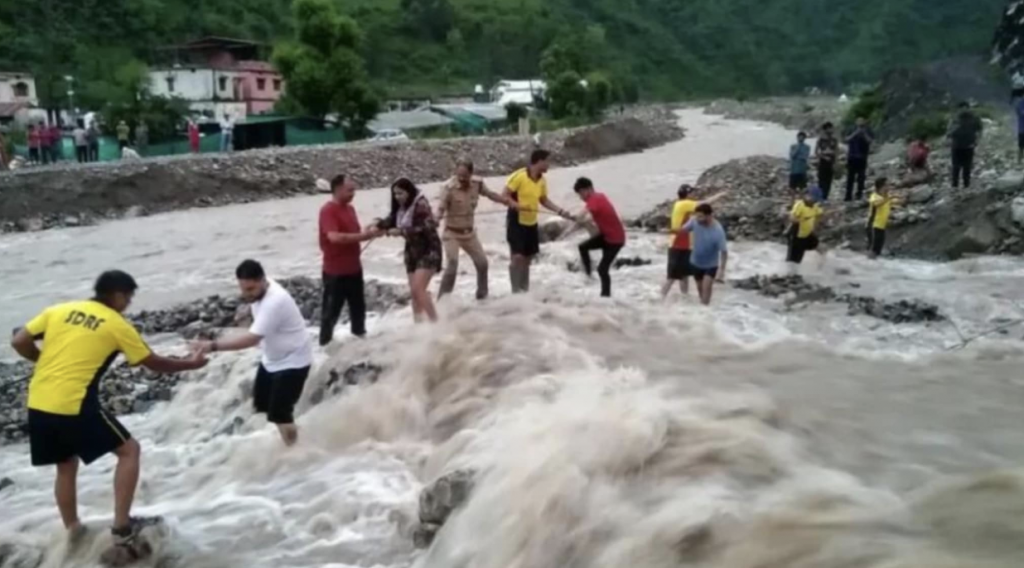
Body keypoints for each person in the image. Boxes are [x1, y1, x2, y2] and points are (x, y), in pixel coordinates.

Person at [9, 270, 207, 555]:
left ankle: (73, 532)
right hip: (73, 403)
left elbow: (19, 341)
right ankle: (122, 529)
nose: (128, 303)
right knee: (130, 451)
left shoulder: (60, 310)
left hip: (39, 401)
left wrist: (41, 360)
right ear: (117, 295)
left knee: (65, 466)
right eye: (128, 297)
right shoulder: (116, 324)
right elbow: (154, 362)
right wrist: (191, 364)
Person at [191, 261, 312, 446]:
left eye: (251, 289)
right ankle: (293, 437)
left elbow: (251, 339)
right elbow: (257, 311)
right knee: (262, 405)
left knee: (280, 413)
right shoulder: (262, 290)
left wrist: (213, 346)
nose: (247, 294)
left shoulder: (275, 301)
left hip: (294, 360)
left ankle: (295, 449)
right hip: (272, 358)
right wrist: (247, 310)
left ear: (263, 280)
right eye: (243, 289)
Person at [436, 159, 516, 300]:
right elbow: (441, 208)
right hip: (452, 233)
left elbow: (490, 194)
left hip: (470, 233)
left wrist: (506, 201)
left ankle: (482, 296)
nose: (461, 179)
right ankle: (442, 300)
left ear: (471, 173)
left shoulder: (477, 184)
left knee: (483, 263)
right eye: (459, 175)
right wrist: (436, 219)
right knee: (452, 265)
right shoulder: (447, 187)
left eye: (465, 176)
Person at [318, 174, 379, 345]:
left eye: (354, 190)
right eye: (350, 190)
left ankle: (360, 343)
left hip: (354, 268)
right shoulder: (328, 210)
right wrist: (363, 236)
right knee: (330, 313)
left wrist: (371, 231)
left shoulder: (350, 209)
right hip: (335, 272)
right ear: (337, 190)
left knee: (358, 309)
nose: (354, 193)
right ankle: (323, 347)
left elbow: (355, 233)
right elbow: (334, 237)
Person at [503, 149, 575, 293]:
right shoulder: (519, 176)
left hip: (531, 223)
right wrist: (518, 206)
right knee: (517, 258)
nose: (549, 165)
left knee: (528, 259)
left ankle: (525, 291)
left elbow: (543, 200)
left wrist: (560, 211)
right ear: (540, 161)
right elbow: (504, 195)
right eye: (548, 161)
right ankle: (515, 292)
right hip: (516, 221)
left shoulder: (542, 180)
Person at [379, 178, 443, 323]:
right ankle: (418, 325)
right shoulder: (401, 207)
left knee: (419, 290)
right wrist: (378, 225)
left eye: (401, 193)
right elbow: (392, 218)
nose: (397, 197)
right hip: (412, 252)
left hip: (429, 250)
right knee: (414, 293)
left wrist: (401, 232)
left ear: (409, 192)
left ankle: (436, 324)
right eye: (395, 194)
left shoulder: (421, 204)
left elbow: (425, 228)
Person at [662, 184, 728, 299]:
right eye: (692, 192)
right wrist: (720, 195)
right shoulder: (684, 203)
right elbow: (704, 204)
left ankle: (685, 299)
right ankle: (660, 298)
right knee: (672, 276)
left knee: (684, 274)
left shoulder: (680, 204)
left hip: (683, 245)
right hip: (678, 245)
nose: (694, 195)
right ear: (688, 194)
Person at [572, 177, 626, 297]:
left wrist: (576, 218)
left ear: (589, 189)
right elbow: (591, 217)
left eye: (581, 193)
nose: (580, 197)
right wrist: (578, 221)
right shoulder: (600, 197)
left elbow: (581, 214)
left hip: (615, 240)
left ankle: (605, 296)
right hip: (606, 236)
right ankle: (588, 275)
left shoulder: (595, 198)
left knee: (602, 269)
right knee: (583, 247)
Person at [680, 203, 728, 306]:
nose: (698, 219)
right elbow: (683, 230)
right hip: (695, 262)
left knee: (706, 292)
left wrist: (722, 271)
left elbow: (724, 251)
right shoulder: (695, 221)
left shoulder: (718, 231)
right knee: (700, 292)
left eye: (700, 216)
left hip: (710, 266)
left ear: (709, 216)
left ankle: (706, 314)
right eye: (697, 216)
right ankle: (702, 316)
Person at [787, 187, 826, 268]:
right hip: (796, 235)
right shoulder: (799, 205)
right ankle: (789, 274)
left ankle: (821, 267)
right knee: (794, 258)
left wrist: (818, 223)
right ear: (806, 195)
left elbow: (820, 214)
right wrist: (797, 219)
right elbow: (792, 217)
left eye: (816, 200)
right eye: (813, 198)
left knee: (821, 248)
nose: (814, 201)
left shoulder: (814, 206)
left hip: (807, 234)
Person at [948, 101, 983, 189]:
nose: (963, 110)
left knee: (967, 166)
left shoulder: (974, 118)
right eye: (961, 108)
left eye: (965, 108)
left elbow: (980, 129)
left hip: (969, 145)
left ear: (968, 108)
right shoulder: (955, 119)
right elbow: (949, 132)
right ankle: (955, 185)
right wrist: (953, 131)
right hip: (956, 146)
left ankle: (966, 184)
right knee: (956, 166)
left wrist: (977, 140)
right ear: (959, 109)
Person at [866, 177, 898, 259]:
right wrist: (888, 198)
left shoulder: (886, 197)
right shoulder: (874, 196)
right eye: (887, 185)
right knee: (872, 249)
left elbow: (892, 204)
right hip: (874, 225)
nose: (889, 187)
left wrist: (904, 198)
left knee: (878, 249)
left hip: (881, 226)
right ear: (882, 186)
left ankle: (874, 266)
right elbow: (877, 204)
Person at [845, 116, 874, 201]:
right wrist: (855, 133)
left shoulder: (868, 130)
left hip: (862, 157)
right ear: (855, 122)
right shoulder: (851, 129)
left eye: (862, 121)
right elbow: (846, 139)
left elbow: (870, 141)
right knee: (850, 177)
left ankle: (859, 194)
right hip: (852, 156)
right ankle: (848, 195)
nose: (860, 122)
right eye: (858, 121)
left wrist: (864, 134)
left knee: (861, 177)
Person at [815, 122, 839, 201]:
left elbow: (836, 151)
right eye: (830, 128)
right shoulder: (821, 139)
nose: (832, 130)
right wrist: (823, 156)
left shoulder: (834, 139)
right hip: (823, 161)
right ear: (826, 129)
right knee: (821, 179)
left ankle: (825, 197)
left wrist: (835, 162)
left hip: (831, 161)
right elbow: (816, 152)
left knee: (829, 179)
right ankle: (820, 197)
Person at [1015, 93, 1024, 164]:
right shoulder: (1020, 103)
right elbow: (1021, 112)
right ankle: (1019, 161)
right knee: (1021, 147)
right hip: (1022, 129)